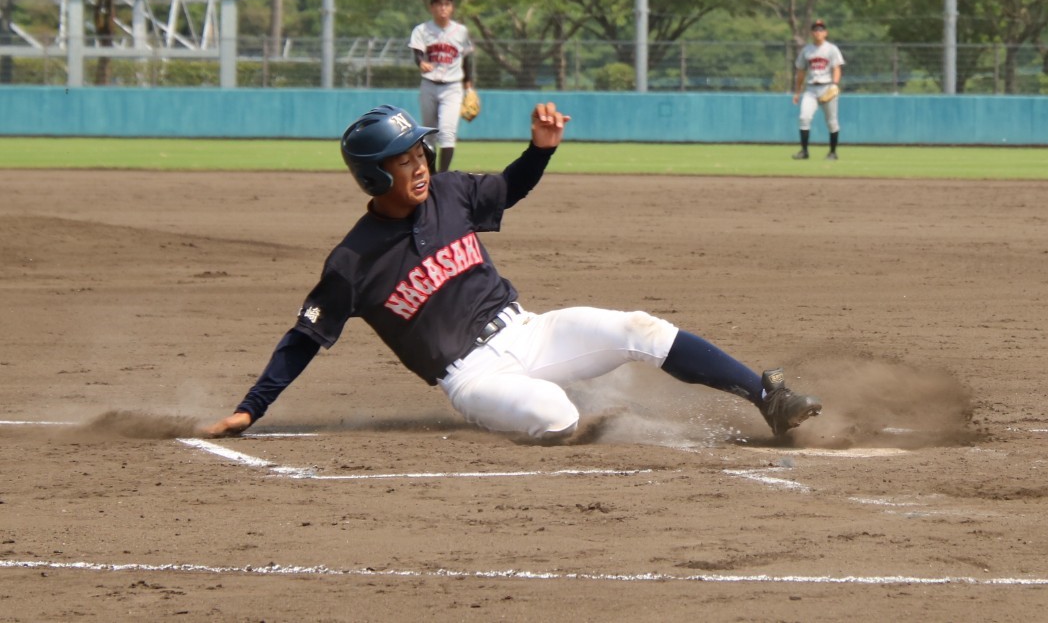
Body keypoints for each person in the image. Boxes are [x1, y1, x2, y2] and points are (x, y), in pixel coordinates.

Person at [200, 103, 823, 442]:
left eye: (419, 152)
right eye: (401, 159)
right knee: (555, 417)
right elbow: (303, 339)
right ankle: (570, 411)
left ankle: (765, 395)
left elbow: (511, 188)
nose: (418, 165)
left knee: (640, 327)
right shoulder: (352, 261)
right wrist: (250, 409)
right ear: (371, 176)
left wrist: (540, 151)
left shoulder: (450, 191)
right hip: (470, 375)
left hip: (530, 331)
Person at [408, 0, 475, 173]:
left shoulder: (460, 31)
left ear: (452, 8)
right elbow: (417, 54)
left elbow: (467, 60)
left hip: (453, 87)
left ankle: (443, 176)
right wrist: (421, 62)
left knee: (447, 132)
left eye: (447, 4)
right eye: (439, 4)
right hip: (429, 85)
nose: (443, 8)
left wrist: (469, 89)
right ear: (432, 7)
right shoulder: (422, 30)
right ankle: (431, 174)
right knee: (429, 135)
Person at [791, 19, 844, 160]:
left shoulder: (831, 49)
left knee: (832, 122)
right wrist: (797, 92)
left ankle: (833, 152)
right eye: (815, 30)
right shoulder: (806, 50)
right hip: (810, 89)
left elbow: (837, 68)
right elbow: (801, 72)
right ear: (811, 33)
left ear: (825, 33)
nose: (818, 32)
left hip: (827, 87)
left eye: (821, 30)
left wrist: (834, 84)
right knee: (804, 117)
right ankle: (804, 152)